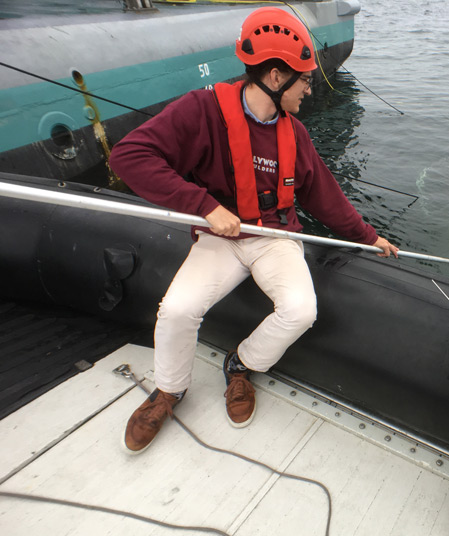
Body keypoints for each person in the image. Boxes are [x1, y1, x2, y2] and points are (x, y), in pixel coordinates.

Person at [110, 7, 398, 454]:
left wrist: (368, 236)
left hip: (276, 238)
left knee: (300, 310)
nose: (309, 87)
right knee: (178, 309)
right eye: (304, 78)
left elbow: (325, 197)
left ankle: (241, 364)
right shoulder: (200, 110)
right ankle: (170, 390)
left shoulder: (296, 134)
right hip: (220, 239)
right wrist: (203, 205)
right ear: (278, 75)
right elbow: (130, 157)